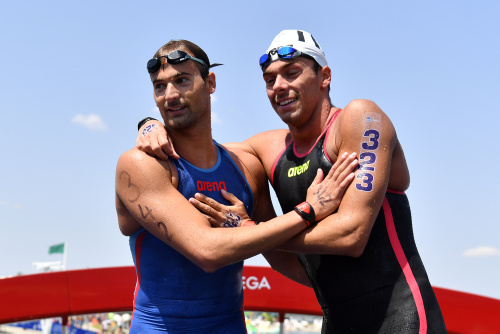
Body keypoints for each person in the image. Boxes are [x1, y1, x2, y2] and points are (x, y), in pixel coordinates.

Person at [136, 30, 447, 333]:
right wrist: (150, 124)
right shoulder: (267, 150)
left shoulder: (361, 119)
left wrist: (251, 231)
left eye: (292, 73)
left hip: (402, 319)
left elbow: (352, 235)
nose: (279, 86)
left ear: (324, 76)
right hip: (337, 321)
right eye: (270, 80)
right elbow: (198, 147)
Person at [115, 39, 358, 333]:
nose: (170, 95)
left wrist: (359, 288)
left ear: (210, 82)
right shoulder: (142, 164)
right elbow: (206, 252)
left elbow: (277, 252)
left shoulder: (245, 166)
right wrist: (307, 211)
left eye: (181, 81)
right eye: (159, 86)